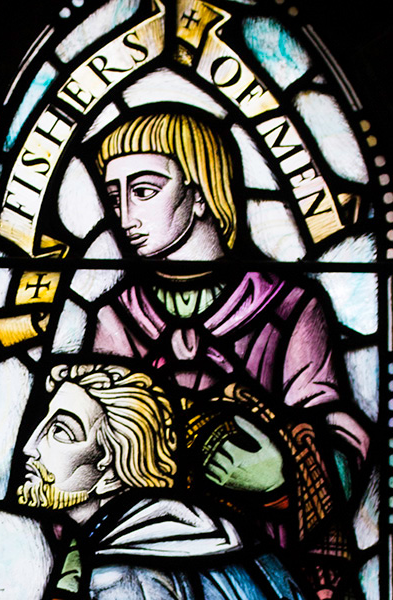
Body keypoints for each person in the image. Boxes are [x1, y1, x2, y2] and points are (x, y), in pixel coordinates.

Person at [87, 112, 369, 598]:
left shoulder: (288, 309)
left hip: (270, 569)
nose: (124, 216)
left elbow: (341, 433)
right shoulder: (117, 319)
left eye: (145, 190)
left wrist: (281, 479)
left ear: (201, 192)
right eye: (114, 197)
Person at [18, 363, 307, 600]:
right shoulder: (209, 537)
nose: (30, 447)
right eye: (43, 423)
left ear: (110, 469)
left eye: (61, 431)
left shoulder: (123, 577)